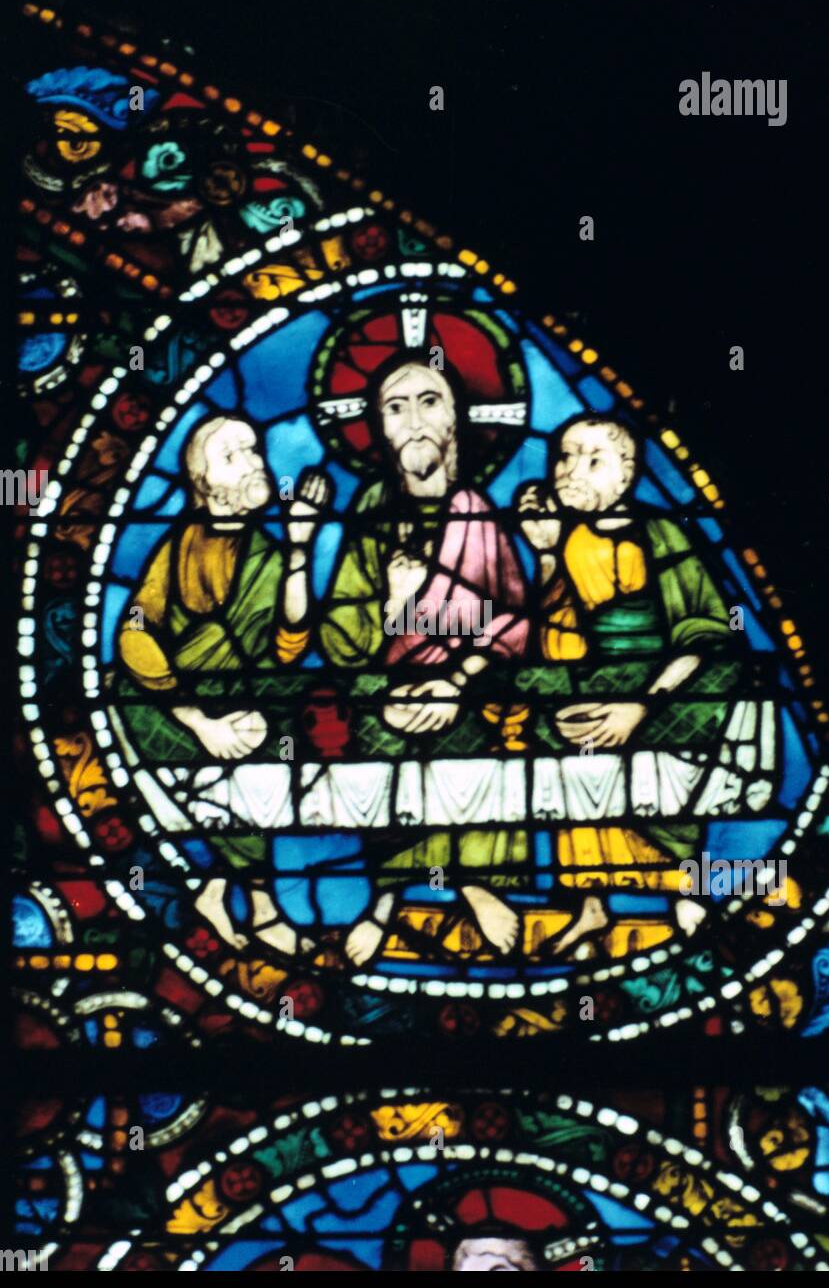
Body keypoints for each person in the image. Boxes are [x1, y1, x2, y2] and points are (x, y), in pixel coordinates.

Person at [320, 351, 530, 965]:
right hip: (389, 689)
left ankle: (476, 883)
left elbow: (516, 621)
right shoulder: (368, 512)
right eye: (395, 406)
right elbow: (339, 635)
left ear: (455, 420)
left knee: (489, 739)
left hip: (465, 690)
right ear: (379, 428)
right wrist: (394, 609)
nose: (412, 419)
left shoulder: (479, 513)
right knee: (381, 745)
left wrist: (457, 681)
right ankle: (386, 899)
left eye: (429, 401)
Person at [517, 416, 743, 956]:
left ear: (627, 474)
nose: (572, 471)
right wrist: (546, 553)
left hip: (669, 685)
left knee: (657, 763)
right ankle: (591, 906)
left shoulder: (664, 533)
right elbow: (554, 643)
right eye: (565, 458)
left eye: (592, 459)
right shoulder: (567, 540)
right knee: (564, 751)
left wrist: (639, 707)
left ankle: (684, 893)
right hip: (596, 682)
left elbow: (702, 634)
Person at [118, 414, 329, 954]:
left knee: (299, 730)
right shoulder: (179, 547)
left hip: (240, 700)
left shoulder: (267, 550)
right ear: (203, 484)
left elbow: (289, 648)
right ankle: (260, 909)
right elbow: (134, 634)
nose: (255, 462)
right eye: (233, 455)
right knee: (247, 759)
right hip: (159, 702)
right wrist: (196, 718)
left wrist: (301, 548)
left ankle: (216, 891)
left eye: (254, 449)